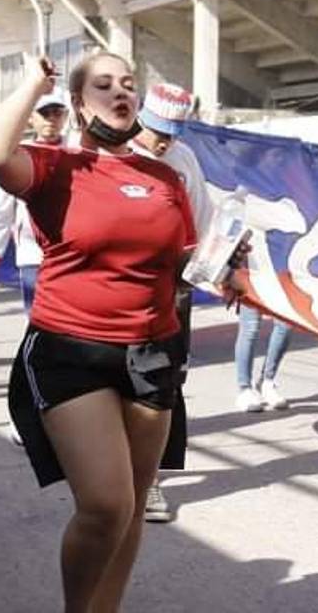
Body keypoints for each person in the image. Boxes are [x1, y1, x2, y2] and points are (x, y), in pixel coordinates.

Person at [0, 53, 205, 613]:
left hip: (153, 352)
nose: (120, 93)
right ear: (79, 103)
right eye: (103, 86)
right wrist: (34, 83)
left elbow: (190, 258)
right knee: (104, 504)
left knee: (130, 510)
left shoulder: (167, 176)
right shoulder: (57, 167)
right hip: (70, 350)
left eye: (129, 84)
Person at [130, 82, 215, 523]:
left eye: (172, 132)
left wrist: (217, 267)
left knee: (165, 382)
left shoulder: (183, 159)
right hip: (123, 289)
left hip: (174, 288)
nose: (162, 141)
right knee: (122, 380)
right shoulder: (118, 154)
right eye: (156, 130)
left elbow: (204, 218)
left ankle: (153, 479)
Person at [0, 91, 68, 309]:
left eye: (56, 113)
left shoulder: (78, 152)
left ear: (65, 117)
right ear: (31, 118)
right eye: (44, 113)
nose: (50, 119)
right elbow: (1, 212)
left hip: (73, 254)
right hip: (33, 256)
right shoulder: (19, 155)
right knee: (38, 324)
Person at [233, 309, 293, 412]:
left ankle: (266, 382)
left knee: (285, 325)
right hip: (249, 292)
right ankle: (244, 389)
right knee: (250, 326)